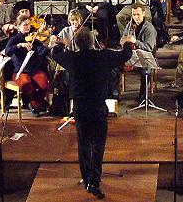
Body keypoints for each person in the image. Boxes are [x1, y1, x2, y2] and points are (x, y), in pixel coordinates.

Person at [49, 27, 133, 199]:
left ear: (77, 44)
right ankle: (95, 179)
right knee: (98, 143)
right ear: (92, 42)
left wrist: (60, 43)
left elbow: (56, 54)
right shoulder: (104, 56)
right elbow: (125, 55)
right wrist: (127, 43)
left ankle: (87, 178)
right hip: (98, 106)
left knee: (84, 143)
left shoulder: (73, 58)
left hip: (80, 106)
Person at [3, 13, 52, 116]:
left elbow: (42, 52)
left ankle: (35, 104)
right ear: (18, 26)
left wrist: (50, 46)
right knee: (26, 85)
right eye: (25, 25)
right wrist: (20, 45)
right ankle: (32, 104)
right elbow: (7, 52)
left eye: (29, 24)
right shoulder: (15, 39)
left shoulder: (34, 39)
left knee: (44, 84)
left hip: (34, 70)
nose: (27, 27)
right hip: (20, 71)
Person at [121, 4, 157, 103]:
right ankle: (115, 95)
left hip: (145, 56)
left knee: (145, 72)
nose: (136, 17)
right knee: (114, 67)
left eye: (138, 14)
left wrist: (135, 41)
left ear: (144, 13)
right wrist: (124, 40)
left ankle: (143, 97)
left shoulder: (149, 28)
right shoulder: (130, 24)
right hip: (130, 54)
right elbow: (124, 36)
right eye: (134, 14)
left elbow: (149, 48)